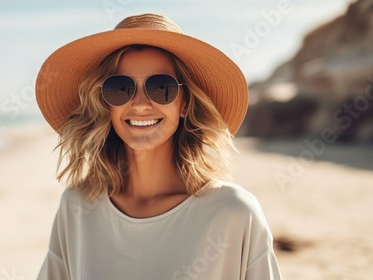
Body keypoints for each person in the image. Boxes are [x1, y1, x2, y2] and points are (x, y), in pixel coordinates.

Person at [35, 13, 282, 280]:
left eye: (161, 87)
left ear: (185, 103)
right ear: (105, 104)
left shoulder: (234, 213)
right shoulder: (77, 208)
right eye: (120, 88)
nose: (140, 104)